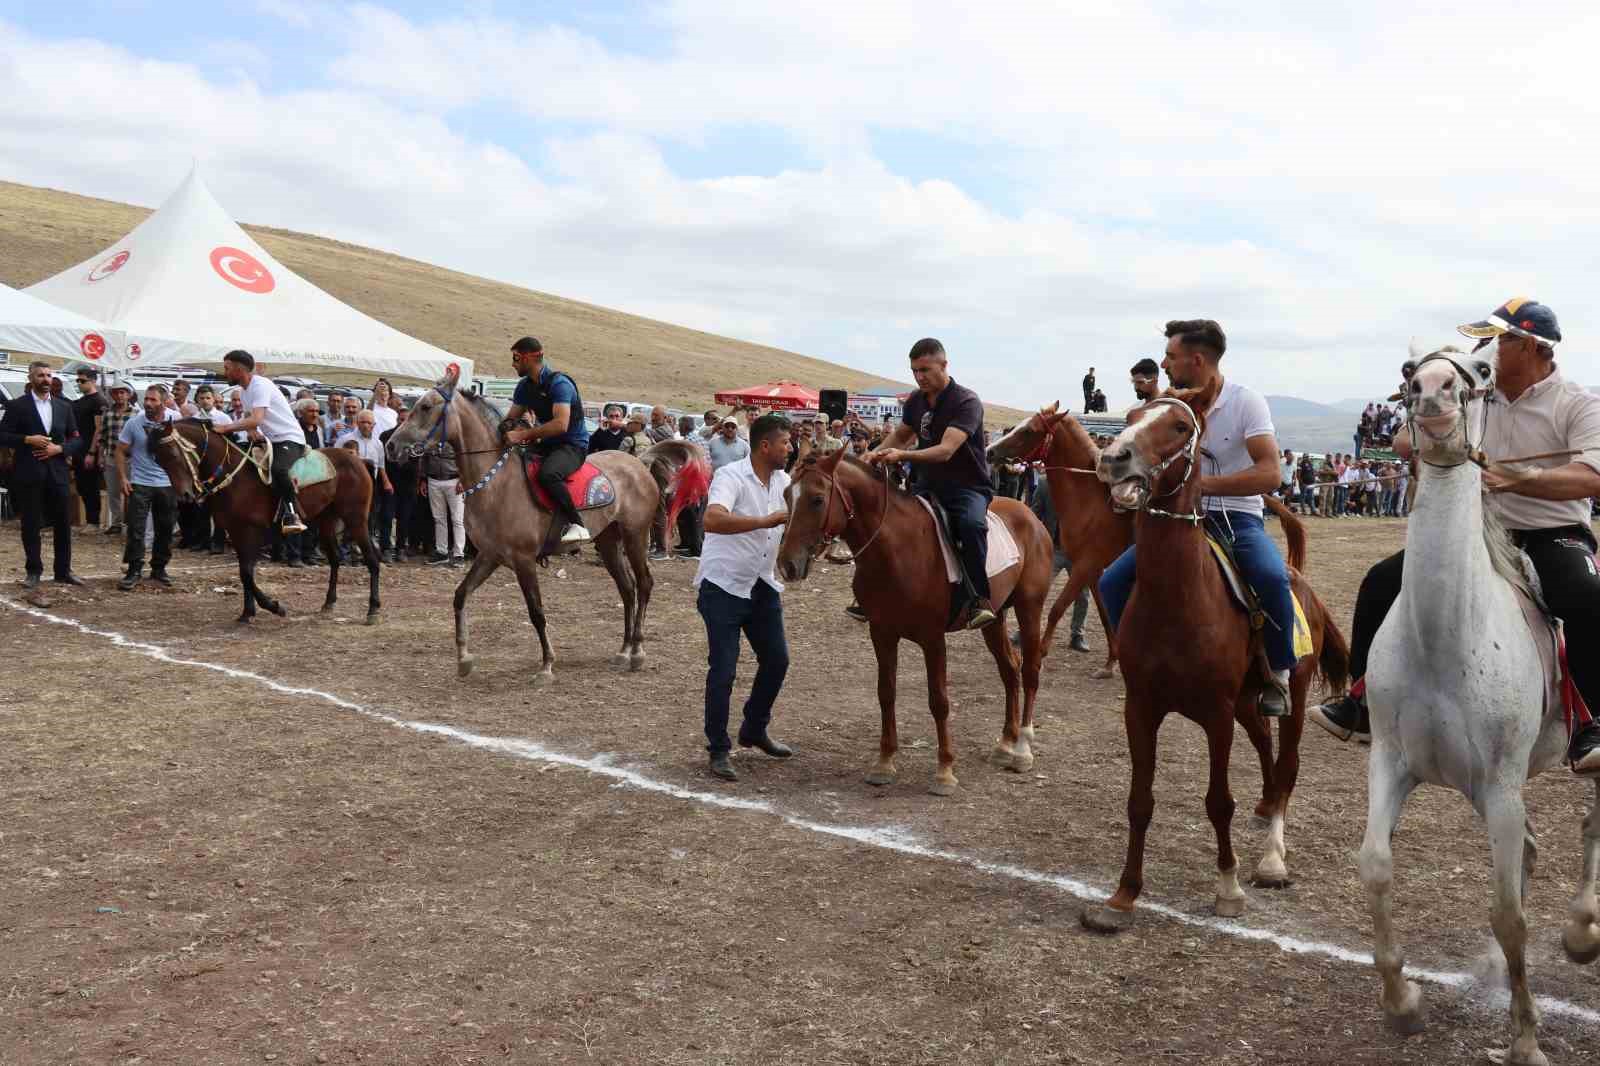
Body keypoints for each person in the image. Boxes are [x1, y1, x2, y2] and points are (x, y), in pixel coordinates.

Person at [1312, 298, 1600, 773]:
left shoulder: (1578, 403)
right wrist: (1428, 424)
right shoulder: (1473, 393)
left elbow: (1591, 476)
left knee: (1586, 596)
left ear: (1528, 346)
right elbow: (1405, 441)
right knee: (1381, 580)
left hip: (1552, 533)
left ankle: (1591, 724)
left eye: (1495, 340)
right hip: (1478, 531)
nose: (1483, 348)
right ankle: (1360, 705)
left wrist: (1521, 478)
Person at [1098, 319, 1298, 716]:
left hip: (1236, 518)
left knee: (1273, 578)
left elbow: (1270, 473)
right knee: (1111, 581)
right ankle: (1135, 659)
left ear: (1196, 359)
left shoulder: (1246, 402)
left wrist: (1201, 487)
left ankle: (1279, 675)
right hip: (1175, 520)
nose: (1165, 364)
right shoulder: (1171, 406)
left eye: (1170, 357)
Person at [867, 337, 997, 630]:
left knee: (972, 525)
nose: (919, 377)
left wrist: (903, 455)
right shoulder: (916, 400)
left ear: (944, 365)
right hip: (927, 485)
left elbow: (946, 449)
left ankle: (979, 599)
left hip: (968, 487)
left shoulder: (966, 401)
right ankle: (876, 593)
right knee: (888, 523)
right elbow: (900, 435)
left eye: (925, 369)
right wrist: (872, 456)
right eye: (914, 370)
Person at [695, 413, 795, 782]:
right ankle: (719, 749)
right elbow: (713, 520)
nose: (790, 448)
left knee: (777, 660)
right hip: (723, 585)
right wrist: (765, 522)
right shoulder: (731, 476)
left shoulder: (784, 481)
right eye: (785, 442)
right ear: (765, 446)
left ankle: (754, 728)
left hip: (761, 584)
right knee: (723, 670)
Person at [0, 360, 85, 587]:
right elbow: (3, 435)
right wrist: (27, 439)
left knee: (63, 523)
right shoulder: (17, 406)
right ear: (31, 379)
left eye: (48, 375)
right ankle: (33, 571)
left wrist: (60, 449)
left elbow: (77, 440)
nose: (45, 379)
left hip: (57, 472)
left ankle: (63, 570)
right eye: (40, 375)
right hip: (29, 473)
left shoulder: (64, 407)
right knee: (31, 523)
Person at [502, 336, 592, 543]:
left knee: (548, 475)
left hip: (572, 445)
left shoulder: (560, 384)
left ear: (528, 358)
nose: (513, 363)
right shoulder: (524, 387)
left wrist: (522, 435)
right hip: (547, 444)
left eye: (515, 358)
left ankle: (577, 524)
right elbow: (510, 419)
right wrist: (503, 429)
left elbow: (561, 425)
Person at [212, 350, 308, 534]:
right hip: (269, 441)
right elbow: (250, 417)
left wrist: (225, 428)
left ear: (240, 370)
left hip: (289, 438)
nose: (225, 373)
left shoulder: (260, 385)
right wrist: (250, 430)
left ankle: (292, 514)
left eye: (227, 368)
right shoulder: (243, 391)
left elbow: (256, 418)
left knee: (279, 470)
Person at [115, 385, 178, 590]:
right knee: (136, 528)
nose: (149, 403)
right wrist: (124, 477)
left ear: (164, 401)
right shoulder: (134, 423)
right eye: (147, 399)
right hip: (140, 482)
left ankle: (159, 568)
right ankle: (134, 570)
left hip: (167, 483)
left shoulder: (175, 420)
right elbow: (120, 450)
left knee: (165, 528)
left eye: (153, 400)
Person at [70, 367, 107, 530]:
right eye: (78, 380)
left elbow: (99, 429)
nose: (79, 383)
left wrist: (92, 452)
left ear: (93, 381)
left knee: (91, 485)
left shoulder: (99, 401)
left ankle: (94, 521)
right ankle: (90, 520)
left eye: (83, 380)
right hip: (78, 448)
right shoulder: (80, 401)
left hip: (89, 449)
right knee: (82, 485)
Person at [421, 435, 466, 566]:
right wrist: (423, 479)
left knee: (457, 519)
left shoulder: (456, 441)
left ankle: (459, 554)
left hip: (454, 480)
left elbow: (465, 460)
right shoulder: (430, 440)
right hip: (433, 480)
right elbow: (424, 459)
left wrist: (463, 479)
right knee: (438, 518)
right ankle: (441, 552)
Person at [99, 378, 134, 534]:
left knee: (132, 491)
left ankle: (132, 522)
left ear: (128, 395)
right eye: (116, 393)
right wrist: (100, 455)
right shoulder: (108, 413)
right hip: (111, 456)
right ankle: (116, 522)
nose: (119, 396)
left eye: (122, 392)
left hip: (131, 458)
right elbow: (103, 436)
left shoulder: (137, 414)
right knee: (113, 491)